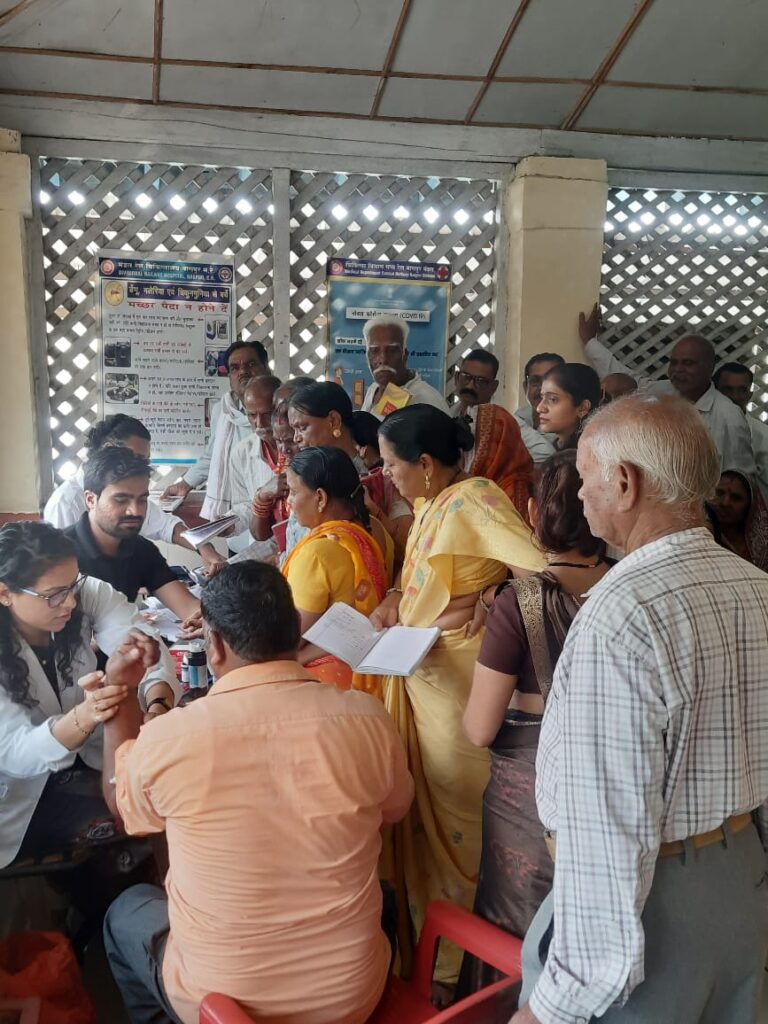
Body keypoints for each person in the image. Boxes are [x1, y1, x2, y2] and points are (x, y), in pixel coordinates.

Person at [512, 393, 768, 1024]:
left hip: (650, 908)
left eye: (586, 481)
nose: (576, 497)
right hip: (741, 881)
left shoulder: (621, 613)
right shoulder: (755, 586)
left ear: (624, 483)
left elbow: (610, 828)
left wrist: (554, 1005)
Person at [102, 562, 414, 1024]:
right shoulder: (367, 718)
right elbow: (395, 809)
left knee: (125, 912)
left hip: (223, 1005)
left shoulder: (169, 739)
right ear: (294, 635)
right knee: (377, 892)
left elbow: (123, 808)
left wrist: (120, 694)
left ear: (214, 645)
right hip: (350, 998)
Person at [371, 404, 545, 980]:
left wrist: (497, 602)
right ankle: (436, 954)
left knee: (462, 814)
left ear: (424, 463)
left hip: (463, 684)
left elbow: (544, 577)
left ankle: (467, 962)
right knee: (430, 809)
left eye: (392, 465)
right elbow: (421, 582)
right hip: (425, 676)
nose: (385, 476)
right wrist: (396, 599)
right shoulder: (429, 504)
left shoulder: (476, 499)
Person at [460, 451, 611, 993]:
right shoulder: (625, 588)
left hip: (527, 790)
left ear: (529, 512)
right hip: (609, 776)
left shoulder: (518, 603)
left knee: (518, 915)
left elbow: (478, 729)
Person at [0, 521, 177, 873]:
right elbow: (14, 753)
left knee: (159, 793)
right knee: (146, 813)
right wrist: (86, 715)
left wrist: (158, 702)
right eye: (53, 595)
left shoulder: (82, 592)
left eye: (73, 585)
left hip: (84, 765)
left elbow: (141, 640)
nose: (69, 602)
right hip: (20, 799)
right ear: (5, 594)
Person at [578, 302, 755, 475]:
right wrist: (589, 341)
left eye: (688, 363)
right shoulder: (660, 392)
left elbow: (741, 479)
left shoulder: (729, 416)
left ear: (710, 367)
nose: (678, 369)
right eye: (674, 363)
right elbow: (624, 378)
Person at [43, 415, 225, 575]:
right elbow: (61, 572)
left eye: (145, 461)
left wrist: (204, 547)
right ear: (91, 500)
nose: (133, 510)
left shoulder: (144, 551)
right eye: (136, 458)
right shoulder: (65, 503)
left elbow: (166, 526)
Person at [282, 446, 388, 696]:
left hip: (326, 685)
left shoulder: (317, 553)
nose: (288, 501)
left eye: (293, 492)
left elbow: (288, 640)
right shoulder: (376, 530)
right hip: (371, 675)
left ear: (320, 497)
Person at [65, 448, 200, 624]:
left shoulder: (140, 550)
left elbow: (189, 608)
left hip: (128, 647)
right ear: (91, 499)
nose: (135, 511)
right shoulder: (58, 553)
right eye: (121, 500)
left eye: (142, 500)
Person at [289, 382, 410, 567]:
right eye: (294, 429)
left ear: (334, 421)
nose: (296, 438)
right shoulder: (305, 474)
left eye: (303, 427)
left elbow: (408, 551)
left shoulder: (379, 479)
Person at [161, 340, 269, 516]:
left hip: (277, 509)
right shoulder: (223, 410)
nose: (243, 372)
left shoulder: (284, 407)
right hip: (237, 515)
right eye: (234, 368)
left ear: (266, 367)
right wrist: (185, 483)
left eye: (251, 364)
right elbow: (213, 455)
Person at [228, 375, 283, 557]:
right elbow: (244, 505)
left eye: (267, 414)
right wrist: (227, 524)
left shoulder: (301, 449)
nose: (259, 424)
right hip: (262, 547)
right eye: (252, 415)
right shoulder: (241, 453)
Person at [360, 315, 449, 414]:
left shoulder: (425, 400)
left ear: (404, 354)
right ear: (367, 356)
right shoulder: (374, 389)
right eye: (375, 350)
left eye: (392, 350)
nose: (383, 359)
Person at [714, 361, 768, 503]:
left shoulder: (763, 436)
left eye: (742, 390)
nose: (735, 396)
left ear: (749, 395)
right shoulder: (698, 426)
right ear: (714, 391)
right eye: (728, 389)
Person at [712, 469, 768, 572]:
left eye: (736, 498)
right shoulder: (702, 536)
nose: (725, 503)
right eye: (719, 493)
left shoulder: (763, 547)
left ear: (750, 506)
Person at [536, 362, 602, 450]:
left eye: (552, 399)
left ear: (583, 408)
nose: (539, 408)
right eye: (541, 397)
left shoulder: (591, 453)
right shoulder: (551, 446)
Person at [514, 353, 562, 463]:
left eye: (550, 380)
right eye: (535, 381)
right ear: (526, 387)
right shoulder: (520, 416)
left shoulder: (569, 426)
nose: (541, 388)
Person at [452, 348, 500, 415]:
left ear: (493, 387)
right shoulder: (447, 415)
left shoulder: (501, 423)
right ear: (456, 378)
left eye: (480, 381)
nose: (470, 386)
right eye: (466, 377)